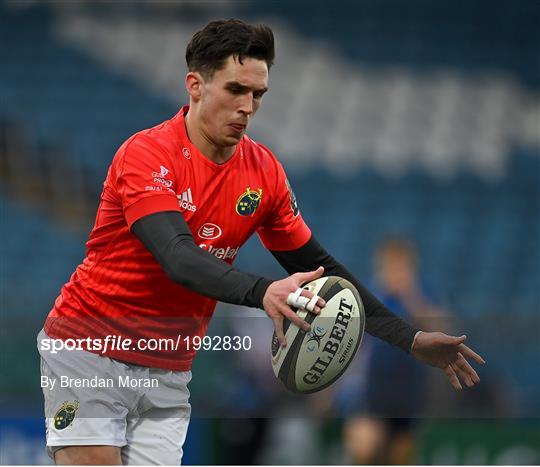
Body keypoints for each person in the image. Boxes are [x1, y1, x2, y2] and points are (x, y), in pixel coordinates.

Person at [37, 19, 485, 465]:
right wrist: (261, 291)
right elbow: (178, 258)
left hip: (167, 366)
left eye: (258, 94)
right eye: (235, 90)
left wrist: (410, 338)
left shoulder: (263, 173)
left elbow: (321, 267)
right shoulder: (146, 155)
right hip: (87, 346)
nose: (247, 106)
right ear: (195, 85)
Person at [343, 237, 451, 464]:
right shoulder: (370, 294)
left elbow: (440, 330)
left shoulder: (422, 293)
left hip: (408, 389)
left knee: (399, 457)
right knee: (364, 447)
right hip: (375, 388)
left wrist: (410, 295)